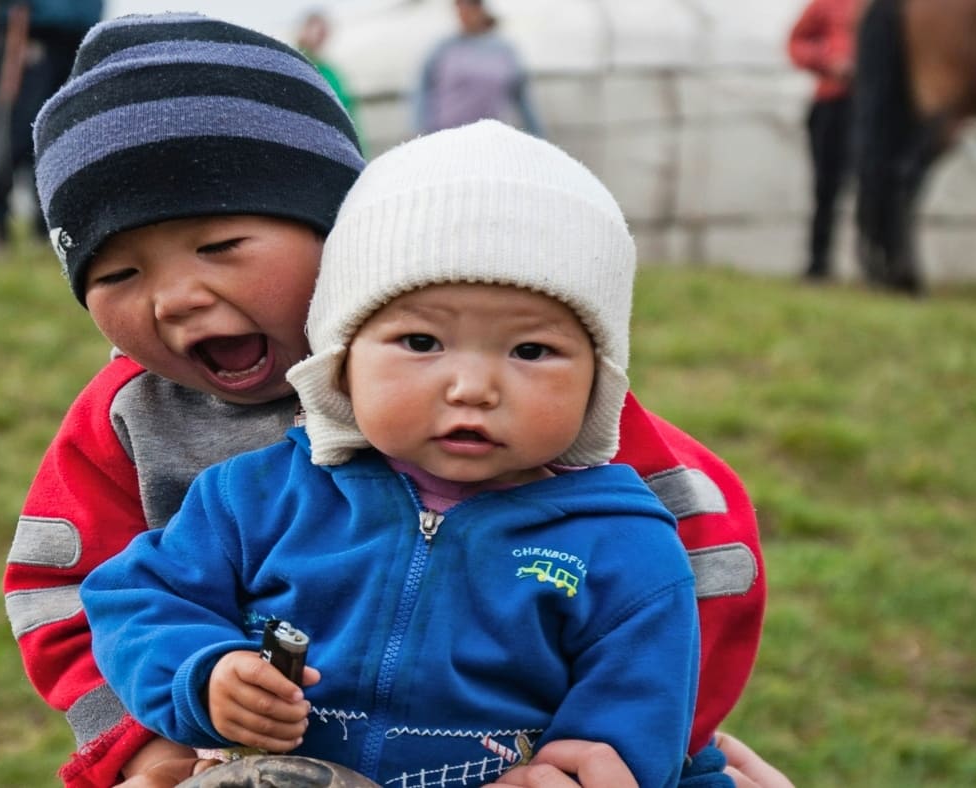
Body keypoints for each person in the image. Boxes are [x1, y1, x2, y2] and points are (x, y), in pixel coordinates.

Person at [6, 12, 773, 788]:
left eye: (219, 247)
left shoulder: (555, 412)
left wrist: (630, 753)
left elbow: (682, 589)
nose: (173, 299)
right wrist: (145, 739)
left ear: (341, 232)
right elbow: (72, 596)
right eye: (116, 276)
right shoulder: (142, 426)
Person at [81, 119, 702, 786]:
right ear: (342, 363)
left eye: (531, 351)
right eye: (420, 342)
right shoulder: (256, 498)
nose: (473, 387)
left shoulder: (624, 549)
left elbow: (637, 726)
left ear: (597, 384)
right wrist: (203, 676)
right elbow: (139, 599)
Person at [0, 0, 102, 250]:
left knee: (64, 135)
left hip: (79, 30)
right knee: (12, 131)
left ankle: (51, 231)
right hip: (29, 25)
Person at [786, 0, 862, 281]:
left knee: (876, 187)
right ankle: (819, 265)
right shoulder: (828, 4)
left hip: (878, 108)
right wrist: (829, 60)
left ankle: (875, 265)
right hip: (834, 102)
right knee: (826, 188)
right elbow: (796, 42)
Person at [414, 0, 543, 136]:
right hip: (446, 134)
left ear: (480, 9)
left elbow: (520, 96)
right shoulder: (443, 48)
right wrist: (422, 129)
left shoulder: (504, 51)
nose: (463, 15)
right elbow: (422, 89)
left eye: (468, 9)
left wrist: (536, 133)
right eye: (459, 10)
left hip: (490, 135)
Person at [296, 8, 362, 151]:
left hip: (341, 144)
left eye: (324, 33)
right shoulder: (295, 63)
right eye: (317, 32)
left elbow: (348, 109)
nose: (321, 37)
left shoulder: (330, 72)